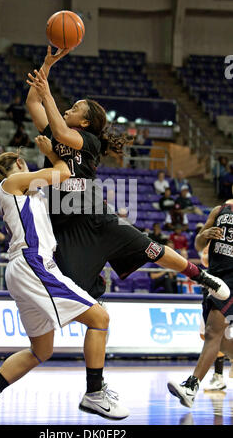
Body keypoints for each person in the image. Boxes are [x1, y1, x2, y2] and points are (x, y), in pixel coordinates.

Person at [24, 46, 230, 305]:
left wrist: (48, 94)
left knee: (151, 248)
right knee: (70, 289)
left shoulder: (89, 141)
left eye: (75, 108)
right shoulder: (54, 132)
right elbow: (33, 102)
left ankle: (201, 276)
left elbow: (63, 133)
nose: (68, 110)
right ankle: (97, 299)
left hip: (95, 215)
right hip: (66, 225)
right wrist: (47, 64)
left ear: (85, 123)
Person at [0, 141, 130, 425]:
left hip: (25, 267)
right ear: (17, 164)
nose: (29, 167)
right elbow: (63, 172)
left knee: (42, 350)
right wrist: (53, 153)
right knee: (100, 318)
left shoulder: (31, 193)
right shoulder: (12, 182)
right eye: (25, 163)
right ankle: (94, 393)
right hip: (33, 264)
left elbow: (64, 185)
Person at [167, 191, 233, 407]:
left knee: (214, 331)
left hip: (232, 279)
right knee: (219, 339)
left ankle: (191, 386)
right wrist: (206, 235)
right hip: (213, 278)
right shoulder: (219, 211)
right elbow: (197, 244)